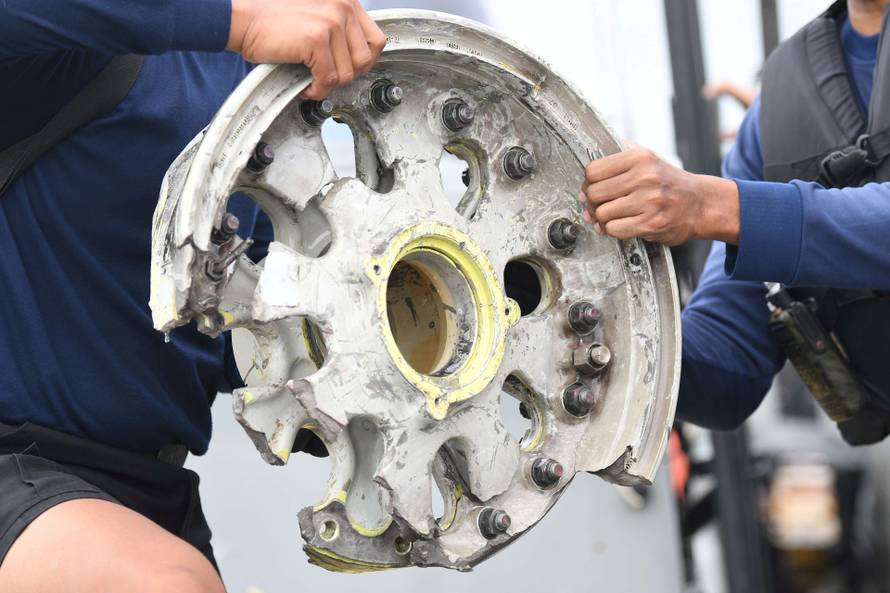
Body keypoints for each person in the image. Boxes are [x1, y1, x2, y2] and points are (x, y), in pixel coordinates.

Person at [0, 1, 384, 592]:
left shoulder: (250, 91)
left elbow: (239, 331)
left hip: (146, 495)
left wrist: (537, 274)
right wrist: (239, 19)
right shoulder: (82, 42)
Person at [579, 0, 890, 437]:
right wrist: (586, 328)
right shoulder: (775, 112)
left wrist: (712, 206)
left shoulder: (724, 195)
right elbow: (732, 366)